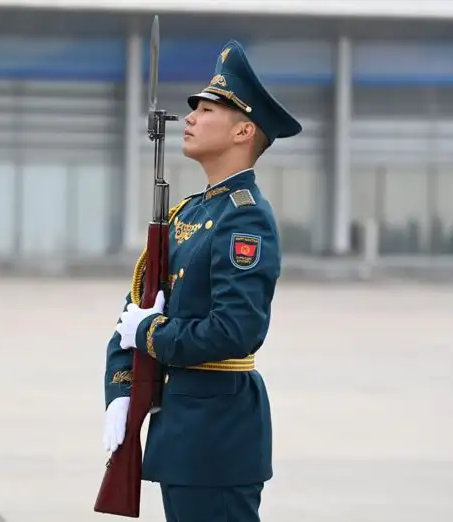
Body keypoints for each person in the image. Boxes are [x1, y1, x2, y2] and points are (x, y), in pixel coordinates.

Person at [103, 40, 303, 522]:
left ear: (244, 130)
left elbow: (235, 330)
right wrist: (121, 389)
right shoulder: (191, 211)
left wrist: (150, 334)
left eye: (207, 108)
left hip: (219, 435)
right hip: (182, 434)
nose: (190, 116)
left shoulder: (245, 221)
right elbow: (136, 306)